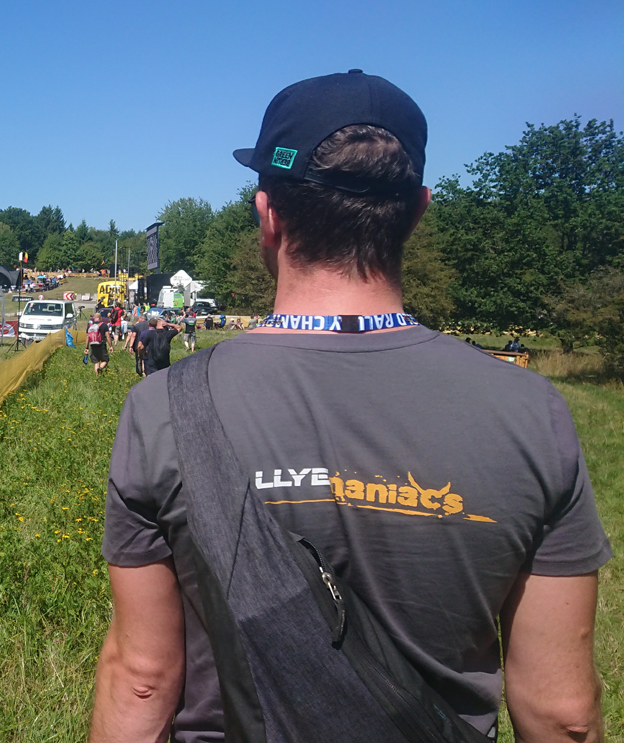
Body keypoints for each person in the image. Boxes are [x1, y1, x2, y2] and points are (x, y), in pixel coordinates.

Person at [91, 70, 608, 742]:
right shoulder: (533, 411)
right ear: (417, 212)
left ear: (267, 214)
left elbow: (143, 679)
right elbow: (562, 713)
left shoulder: (162, 409)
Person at [85, 311, 111, 375]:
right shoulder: (104, 325)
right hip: (101, 345)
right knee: (105, 360)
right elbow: (108, 336)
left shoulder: (89, 326)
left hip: (93, 345)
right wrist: (111, 346)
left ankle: (97, 376)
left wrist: (86, 347)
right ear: (100, 318)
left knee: (96, 362)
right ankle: (100, 368)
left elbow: (87, 337)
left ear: (94, 318)